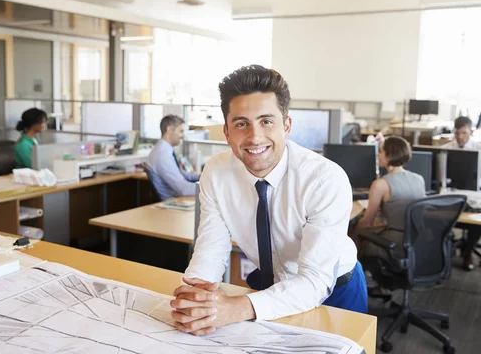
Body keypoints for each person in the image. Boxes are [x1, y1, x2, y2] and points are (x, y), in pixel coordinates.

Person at [170, 65, 366, 337]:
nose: (254, 137)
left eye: (266, 121)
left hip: (334, 289)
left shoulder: (324, 179)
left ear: (286, 125)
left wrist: (235, 308)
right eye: (241, 124)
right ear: (226, 132)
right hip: (270, 285)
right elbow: (211, 248)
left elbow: (313, 281)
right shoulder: (216, 172)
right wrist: (197, 296)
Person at [353, 136, 426, 296]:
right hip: (418, 240)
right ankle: (383, 286)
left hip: (396, 243)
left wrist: (354, 233)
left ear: (389, 156)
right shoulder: (419, 179)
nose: (378, 155)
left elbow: (366, 222)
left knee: (356, 235)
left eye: (381, 151)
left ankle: (354, 287)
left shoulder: (381, 184)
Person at [443, 116, 481, 271]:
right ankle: (442, 252)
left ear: (470, 131)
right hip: (451, 194)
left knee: (477, 221)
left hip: (474, 196)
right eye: (457, 133)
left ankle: (468, 252)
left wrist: (468, 186)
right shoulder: (446, 148)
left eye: (464, 133)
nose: (460, 137)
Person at [147, 115, 199, 200]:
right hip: (172, 202)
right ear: (169, 129)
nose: (183, 135)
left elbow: (180, 174)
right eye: (181, 131)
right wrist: (211, 188)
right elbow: (184, 189)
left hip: (178, 198)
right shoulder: (162, 154)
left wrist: (201, 177)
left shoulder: (165, 150)